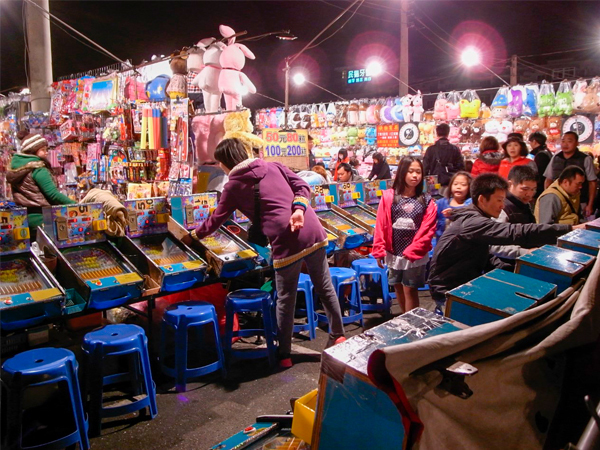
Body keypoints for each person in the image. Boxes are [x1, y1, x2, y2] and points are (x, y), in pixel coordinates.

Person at [182, 138, 345, 368]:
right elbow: (302, 186)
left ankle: (285, 354)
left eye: (219, 163)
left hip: (285, 239)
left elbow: (216, 219)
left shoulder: (233, 184)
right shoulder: (273, 165)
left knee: (285, 298)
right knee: (324, 286)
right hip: (311, 228)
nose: (220, 167)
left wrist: (193, 236)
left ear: (226, 162)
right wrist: (298, 210)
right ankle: (338, 334)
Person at [428, 173, 574, 309]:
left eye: (503, 200)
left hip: (466, 281)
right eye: (499, 200)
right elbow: (517, 232)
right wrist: (568, 229)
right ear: (482, 199)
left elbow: (485, 255)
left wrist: (513, 274)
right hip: (448, 291)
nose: (502, 206)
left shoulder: (474, 215)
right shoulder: (475, 222)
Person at [372, 156, 437, 312]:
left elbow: (428, 229)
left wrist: (413, 250)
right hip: (393, 252)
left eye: (418, 172)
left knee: (410, 289)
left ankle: (412, 324)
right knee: (398, 287)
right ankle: (403, 318)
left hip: (414, 255)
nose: (415, 175)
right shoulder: (389, 196)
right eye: (410, 171)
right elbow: (381, 224)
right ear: (402, 172)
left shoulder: (426, 200)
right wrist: (379, 250)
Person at [7, 132, 76, 238]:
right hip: (43, 218)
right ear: (33, 151)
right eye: (43, 150)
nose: (46, 152)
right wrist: (75, 205)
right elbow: (53, 194)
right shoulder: (38, 169)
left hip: (26, 219)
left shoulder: (19, 169)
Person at [490, 165, 538, 264]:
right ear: (510, 184)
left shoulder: (524, 204)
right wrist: (525, 252)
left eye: (533, 189)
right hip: (505, 263)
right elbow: (495, 245)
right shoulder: (502, 208)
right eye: (525, 189)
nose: (529, 194)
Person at [543, 131, 597, 218]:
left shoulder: (585, 159)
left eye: (569, 141)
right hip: (558, 200)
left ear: (577, 143)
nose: (565, 144)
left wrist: (590, 205)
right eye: (563, 141)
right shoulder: (556, 157)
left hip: (580, 201)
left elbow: (592, 182)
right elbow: (548, 179)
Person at [423, 123, 465, 195]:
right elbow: (461, 168)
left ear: (437, 133)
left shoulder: (430, 150)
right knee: (449, 201)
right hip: (450, 181)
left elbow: (425, 168)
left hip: (434, 182)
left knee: (435, 201)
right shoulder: (454, 149)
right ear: (448, 133)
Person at [435, 171, 472, 241]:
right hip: (442, 245)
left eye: (463, 185)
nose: (458, 187)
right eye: (455, 184)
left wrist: (454, 213)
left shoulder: (471, 204)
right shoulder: (441, 203)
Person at [528, 131, 552, 198]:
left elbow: (539, 174)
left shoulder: (540, 155)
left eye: (530, 142)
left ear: (534, 141)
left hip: (540, 190)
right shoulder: (547, 151)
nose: (530, 144)